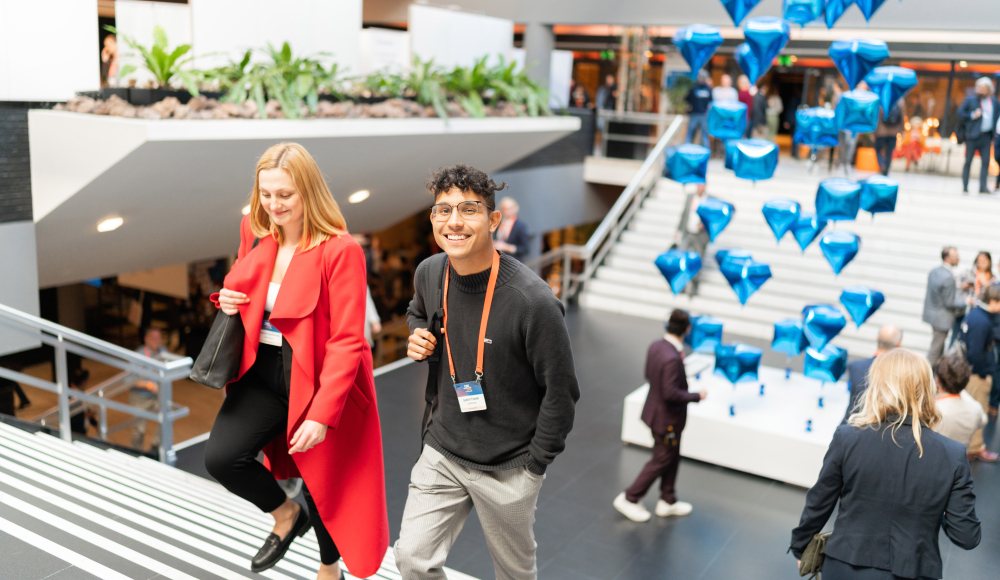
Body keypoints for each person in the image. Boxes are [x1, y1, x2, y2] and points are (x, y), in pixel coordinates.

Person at [205, 142, 388, 579]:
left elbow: (348, 339)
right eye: (266, 194)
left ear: (308, 190)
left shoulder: (339, 249)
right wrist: (227, 297)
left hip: (319, 376)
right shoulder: (253, 226)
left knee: (322, 478)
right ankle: (286, 515)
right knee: (222, 457)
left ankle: (330, 566)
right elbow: (243, 280)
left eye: (284, 195)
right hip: (264, 368)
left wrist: (323, 415)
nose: (274, 204)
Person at [396, 164, 580, 580]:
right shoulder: (429, 272)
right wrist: (418, 335)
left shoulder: (532, 301)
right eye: (443, 211)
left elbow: (561, 391)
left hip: (510, 465)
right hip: (442, 450)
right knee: (411, 558)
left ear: (493, 219)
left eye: (469, 209)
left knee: (514, 575)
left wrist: (534, 468)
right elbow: (416, 313)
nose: (454, 222)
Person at [790, 348, 981, 580]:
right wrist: (933, 503)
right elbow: (967, 536)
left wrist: (800, 547)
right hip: (914, 570)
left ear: (878, 386)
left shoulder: (848, 438)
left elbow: (819, 503)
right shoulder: (953, 454)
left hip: (845, 566)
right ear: (929, 389)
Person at [613, 309, 706, 523]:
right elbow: (670, 393)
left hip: (656, 414)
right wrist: (696, 395)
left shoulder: (657, 346)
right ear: (687, 329)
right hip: (667, 421)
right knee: (662, 459)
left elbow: (651, 376)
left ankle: (668, 499)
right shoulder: (673, 358)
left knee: (670, 457)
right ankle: (630, 497)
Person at [960, 284, 1000, 462]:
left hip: (971, 373)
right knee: (978, 412)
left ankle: (971, 447)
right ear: (993, 301)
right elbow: (975, 353)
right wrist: (984, 373)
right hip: (977, 375)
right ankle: (974, 449)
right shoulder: (982, 321)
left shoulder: (975, 314)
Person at [129, 328, 180, 449]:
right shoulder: (138, 355)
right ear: (146, 339)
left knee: (168, 415)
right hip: (139, 397)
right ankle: (136, 451)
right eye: (153, 338)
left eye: (159, 338)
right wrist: (147, 384)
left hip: (157, 396)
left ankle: (155, 448)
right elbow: (128, 380)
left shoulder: (163, 352)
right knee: (139, 429)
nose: (157, 341)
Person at [841, 325, 903, 424]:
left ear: (877, 339)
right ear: (899, 345)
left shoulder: (856, 367)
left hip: (852, 423)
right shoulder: (900, 375)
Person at [922, 246, 969, 365]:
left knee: (938, 347)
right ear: (948, 258)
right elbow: (949, 302)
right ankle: (924, 377)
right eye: (956, 256)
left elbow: (939, 292)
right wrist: (967, 301)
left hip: (932, 315)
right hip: (943, 318)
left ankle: (936, 375)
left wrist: (958, 287)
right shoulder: (948, 276)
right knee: (935, 350)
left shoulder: (935, 271)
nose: (958, 258)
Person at [933, 353, 987, 448]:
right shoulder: (975, 409)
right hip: (960, 458)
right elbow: (983, 420)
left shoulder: (934, 410)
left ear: (937, 380)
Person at [958, 77, 1000, 194]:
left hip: (986, 137)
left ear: (989, 90)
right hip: (972, 136)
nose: (980, 90)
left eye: (983, 88)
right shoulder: (971, 100)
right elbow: (960, 113)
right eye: (979, 88)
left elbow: (997, 118)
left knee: (985, 162)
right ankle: (965, 186)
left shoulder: (995, 102)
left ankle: (983, 187)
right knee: (968, 161)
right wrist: (972, 115)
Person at [675, 183, 709, 296]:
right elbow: (684, 214)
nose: (700, 188)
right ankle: (681, 285)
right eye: (698, 185)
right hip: (688, 232)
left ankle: (693, 287)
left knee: (697, 261)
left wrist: (705, 224)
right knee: (681, 258)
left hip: (700, 235)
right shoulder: (690, 197)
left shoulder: (709, 200)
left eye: (702, 186)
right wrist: (679, 231)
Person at [493, 196, 531, 262]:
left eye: (509, 208)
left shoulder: (520, 226)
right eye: (504, 208)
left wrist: (507, 247)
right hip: (498, 260)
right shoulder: (499, 223)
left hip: (513, 262)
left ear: (515, 208)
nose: (507, 211)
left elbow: (525, 249)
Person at [875, 98, 905, 176]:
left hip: (881, 131)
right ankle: (886, 169)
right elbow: (902, 117)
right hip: (894, 132)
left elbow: (877, 116)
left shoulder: (882, 97)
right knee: (889, 152)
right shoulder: (900, 100)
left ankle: (882, 165)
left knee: (878, 149)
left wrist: (874, 130)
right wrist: (902, 130)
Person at [684, 70, 713, 147]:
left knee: (703, 135)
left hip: (702, 115)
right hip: (696, 114)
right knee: (692, 134)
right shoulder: (702, 88)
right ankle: (687, 149)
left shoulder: (696, 88)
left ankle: (704, 151)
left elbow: (687, 99)